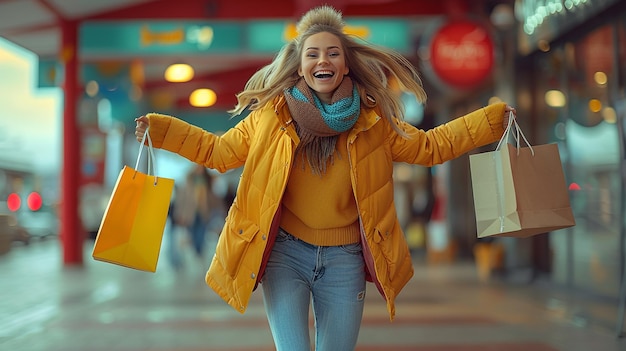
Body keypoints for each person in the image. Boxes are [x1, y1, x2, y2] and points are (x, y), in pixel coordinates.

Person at [134, 5, 517, 351]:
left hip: (344, 260)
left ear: (346, 65)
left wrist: (490, 120)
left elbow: (430, 147)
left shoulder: (373, 122)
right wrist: (161, 130)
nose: (323, 60)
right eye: (313, 53)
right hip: (286, 255)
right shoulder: (272, 116)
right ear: (300, 66)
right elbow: (218, 153)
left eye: (333, 53)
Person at [169, 165, 225, 269]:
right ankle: (196, 251)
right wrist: (179, 214)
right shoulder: (188, 180)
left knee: (201, 235)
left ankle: (199, 252)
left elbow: (215, 198)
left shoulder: (208, 181)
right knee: (193, 234)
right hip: (191, 214)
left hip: (204, 213)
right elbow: (181, 199)